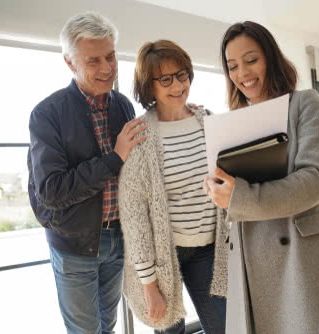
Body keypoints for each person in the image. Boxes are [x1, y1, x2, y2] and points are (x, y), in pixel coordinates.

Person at [204, 21, 319, 334]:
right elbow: (232, 193)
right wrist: (219, 190)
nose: (242, 74)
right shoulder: (233, 123)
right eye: (232, 66)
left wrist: (240, 196)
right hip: (250, 256)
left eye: (251, 60)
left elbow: (315, 180)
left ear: (270, 57)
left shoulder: (304, 104)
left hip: (301, 257)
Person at [27, 12, 147, 334]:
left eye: (110, 56)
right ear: (70, 63)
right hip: (74, 246)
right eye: (93, 61)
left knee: (107, 326)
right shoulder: (46, 114)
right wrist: (115, 157)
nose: (107, 68)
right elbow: (52, 191)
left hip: (117, 240)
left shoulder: (123, 106)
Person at [118, 40, 228, 334]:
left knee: (225, 328)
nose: (178, 85)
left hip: (208, 250)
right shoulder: (140, 135)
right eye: (166, 79)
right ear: (148, 86)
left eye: (183, 75)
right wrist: (149, 285)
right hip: (165, 254)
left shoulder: (209, 121)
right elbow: (134, 215)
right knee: (170, 330)